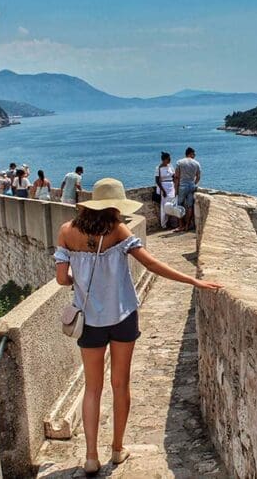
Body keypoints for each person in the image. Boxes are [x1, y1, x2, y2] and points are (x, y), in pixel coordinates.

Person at [54, 178, 223, 474]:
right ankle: (117, 450)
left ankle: (91, 457)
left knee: (92, 388)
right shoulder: (118, 231)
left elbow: (60, 279)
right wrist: (193, 280)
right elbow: (152, 264)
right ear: (116, 207)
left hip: (89, 321)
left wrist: (75, 280)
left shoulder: (67, 232)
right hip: (122, 317)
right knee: (120, 384)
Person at [173, 147, 201, 232]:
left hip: (182, 186)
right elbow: (198, 177)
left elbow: (177, 177)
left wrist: (176, 189)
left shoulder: (179, 162)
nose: (195, 155)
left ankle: (181, 225)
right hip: (191, 186)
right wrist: (193, 184)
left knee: (179, 206)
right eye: (194, 154)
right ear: (190, 153)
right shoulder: (197, 163)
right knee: (189, 206)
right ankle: (187, 226)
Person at [155, 152, 176, 229]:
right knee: (164, 206)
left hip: (171, 187)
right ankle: (164, 224)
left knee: (172, 205)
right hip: (164, 187)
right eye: (168, 159)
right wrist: (163, 191)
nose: (170, 160)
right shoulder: (158, 168)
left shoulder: (171, 166)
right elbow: (157, 181)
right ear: (164, 159)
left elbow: (174, 176)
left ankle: (172, 223)